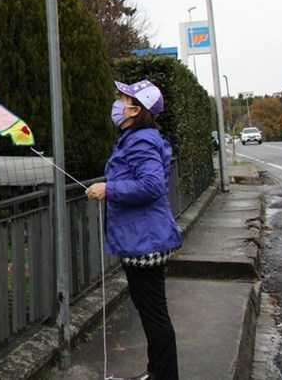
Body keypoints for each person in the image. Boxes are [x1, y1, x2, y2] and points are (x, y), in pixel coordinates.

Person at [86, 79, 182, 380]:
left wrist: (109, 188)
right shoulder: (136, 138)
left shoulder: (141, 140)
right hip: (144, 238)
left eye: (122, 99)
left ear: (135, 110)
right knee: (152, 312)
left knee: (154, 315)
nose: (117, 103)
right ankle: (158, 372)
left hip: (145, 242)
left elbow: (152, 185)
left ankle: (164, 375)